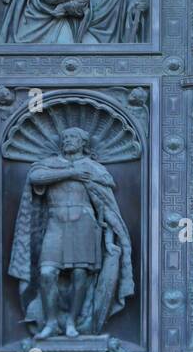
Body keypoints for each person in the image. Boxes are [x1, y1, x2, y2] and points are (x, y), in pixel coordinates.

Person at [7, 127, 134, 339]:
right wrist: (71, 173)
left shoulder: (93, 169)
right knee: (47, 273)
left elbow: (106, 208)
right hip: (56, 223)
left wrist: (110, 240)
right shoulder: (50, 164)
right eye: (65, 138)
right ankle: (50, 322)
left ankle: (72, 324)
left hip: (84, 224)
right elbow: (35, 177)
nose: (68, 141)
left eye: (73, 137)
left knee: (80, 275)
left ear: (83, 143)